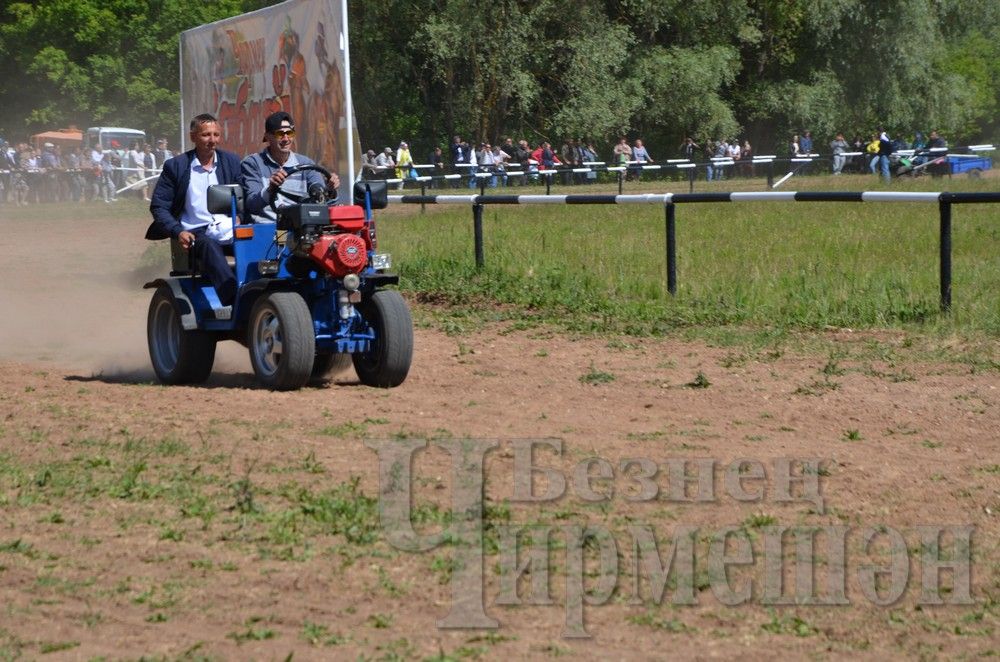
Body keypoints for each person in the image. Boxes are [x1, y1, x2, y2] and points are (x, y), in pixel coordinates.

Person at [146, 113, 242, 308]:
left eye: (216, 135)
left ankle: (266, 293)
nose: (212, 140)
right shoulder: (177, 167)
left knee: (260, 243)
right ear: (193, 137)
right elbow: (159, 206)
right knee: (208, 245)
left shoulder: (231, 161)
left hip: (230, 228)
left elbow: (244, 198)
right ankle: (235, 300)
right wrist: (178, 231)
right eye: (206, 135)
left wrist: (240, 216)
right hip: (196, 234)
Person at [241, 111, 340, 224]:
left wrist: (330, 190)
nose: (286, 139)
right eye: (280, 134)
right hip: (266, 228)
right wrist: (270, 190)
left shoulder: (306, 164)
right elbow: (251, 204)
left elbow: (322, 201)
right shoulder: (252, 163)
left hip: (300, 228)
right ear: (268, 137)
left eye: (289, 133)